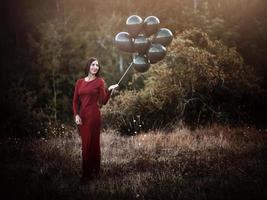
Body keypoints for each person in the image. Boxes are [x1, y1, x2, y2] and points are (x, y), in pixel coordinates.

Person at [72, 57, 118, 183]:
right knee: (86, 145)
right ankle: (91, 172)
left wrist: (109, 90)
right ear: (88, 66)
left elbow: (102, 102)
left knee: (91, 145)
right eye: (93, 65)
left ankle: (89, 174)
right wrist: (76, 115)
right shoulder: (79, 82)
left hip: (94, 116)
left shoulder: (99, 82)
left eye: (97, 65)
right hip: (82, 118)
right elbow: (75, 101)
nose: (95, 67)